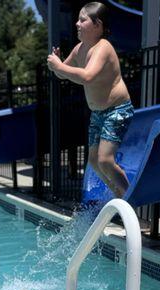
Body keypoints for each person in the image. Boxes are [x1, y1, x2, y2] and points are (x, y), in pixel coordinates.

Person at [47, 2, 134, 198]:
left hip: (117, 110)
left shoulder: (103, 47)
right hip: (98, 113)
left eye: (82, 20)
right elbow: (64, 75)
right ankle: (119, 196)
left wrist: (59, 67)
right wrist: (56, 66)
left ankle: (131, 198)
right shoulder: (80, 49)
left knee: (105, 160)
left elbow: (87, 76)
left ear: (97, 25)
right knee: (94, 162)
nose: (77, 24)